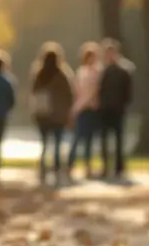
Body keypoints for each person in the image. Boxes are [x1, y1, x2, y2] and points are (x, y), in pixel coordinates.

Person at [29, 43, 75, 184]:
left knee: (44, 143)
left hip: (43, 114)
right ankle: (56, 167)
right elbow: (69, 95)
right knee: (57, 142)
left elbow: (34, 93)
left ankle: (43, 166)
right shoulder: (63, 75)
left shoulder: (39, 74)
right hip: (58, 115)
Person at [97, 38, 135, 180]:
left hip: (118, 109)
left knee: (119, 138)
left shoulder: (124, 71)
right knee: (104, 139)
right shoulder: (103, 70)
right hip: (104, 109)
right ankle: (105, 166)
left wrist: (124, 104)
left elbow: (128, 91)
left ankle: (119, 167)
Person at [66, 42, 102, 180]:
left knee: (89, 139)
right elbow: (78, 91)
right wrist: (76, 107)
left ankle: (88, 166)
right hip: (82, 108)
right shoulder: (81, 72)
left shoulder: (98, 72)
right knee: (77, 137)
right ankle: (70, 164)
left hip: (92, 109)